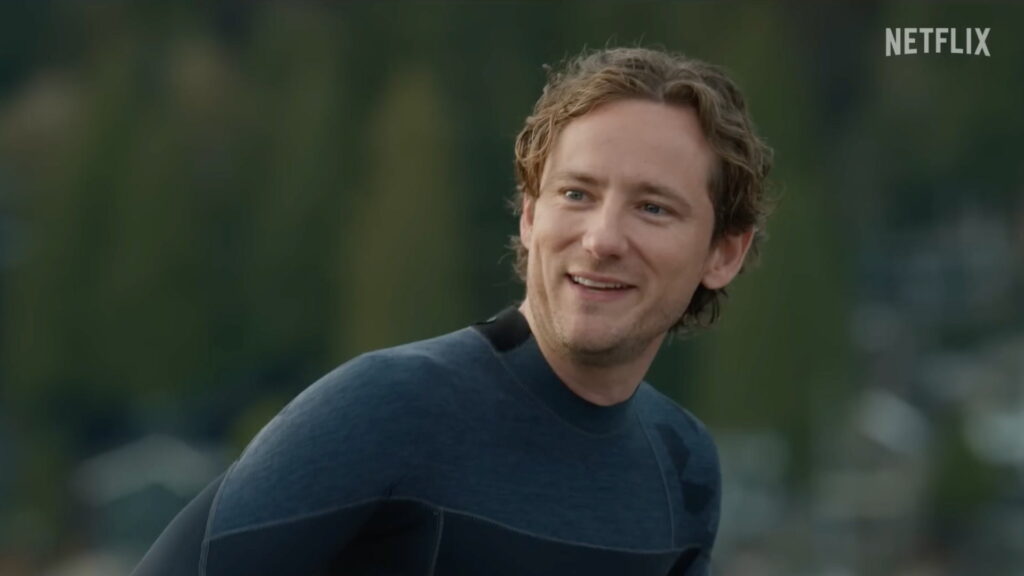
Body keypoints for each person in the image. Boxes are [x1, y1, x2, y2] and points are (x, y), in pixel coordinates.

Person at [132, 46, 772, 576]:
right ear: (529, 216)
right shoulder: (386, 408)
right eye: (576, 194)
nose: (602, 238)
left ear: (724, 253)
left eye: (653, 207)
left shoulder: (681, 465)